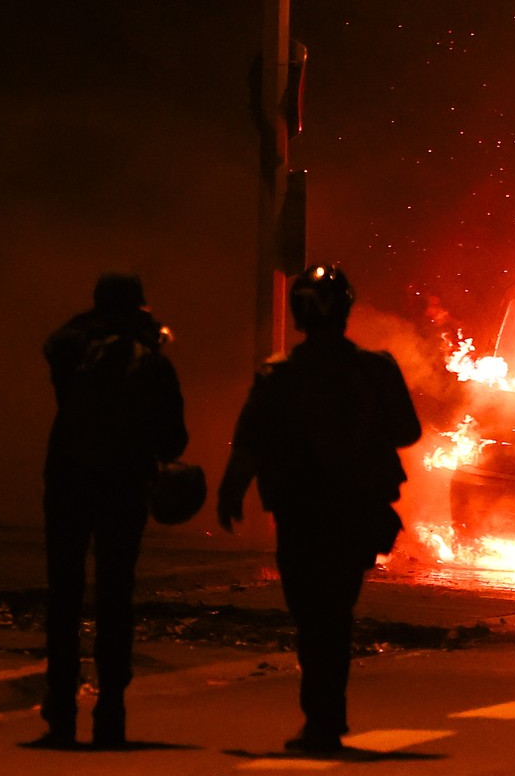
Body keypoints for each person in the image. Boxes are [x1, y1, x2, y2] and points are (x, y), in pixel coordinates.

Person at [217, 264, 422, 755]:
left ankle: (322, 719)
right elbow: (407, 432)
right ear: (346, 311)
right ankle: (326, 717)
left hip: (300, 511)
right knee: (334, 611)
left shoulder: (277, 375)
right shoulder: (375, 369)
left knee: (312, 614)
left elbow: (249, 442)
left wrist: (230, 491)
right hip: (355, 511)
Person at [40, 273, 188, 747]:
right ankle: (111, 710)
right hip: (122, 487)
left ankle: (60, 710)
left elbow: (55, 350)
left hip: (67, 479)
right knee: (114, 595)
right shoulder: (150, 361)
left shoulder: (72, 349)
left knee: (63, 594)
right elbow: (174, 438)